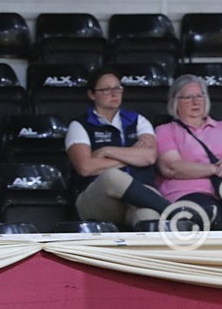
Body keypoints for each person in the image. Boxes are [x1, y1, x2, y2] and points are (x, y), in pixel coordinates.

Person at [67, 66, 169, 227]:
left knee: (148, 215)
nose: (114, 93)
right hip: (99, 201)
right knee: (111, 176)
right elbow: (85, 167)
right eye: (106, 90)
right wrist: (133, 155)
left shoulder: (138, 120)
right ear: (92, 94)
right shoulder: (79, 125)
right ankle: (176, 211)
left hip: (138, 195)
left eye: (117, 88)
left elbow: (149, 157)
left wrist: (107, 151)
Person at [154, 75, 222, 225]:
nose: (196, 102)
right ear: (174, 102)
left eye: (200, 96)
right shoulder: (166, 130)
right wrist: (215, 169)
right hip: (189, 193)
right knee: (209, 214)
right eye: (188, 97)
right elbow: (171, 167)